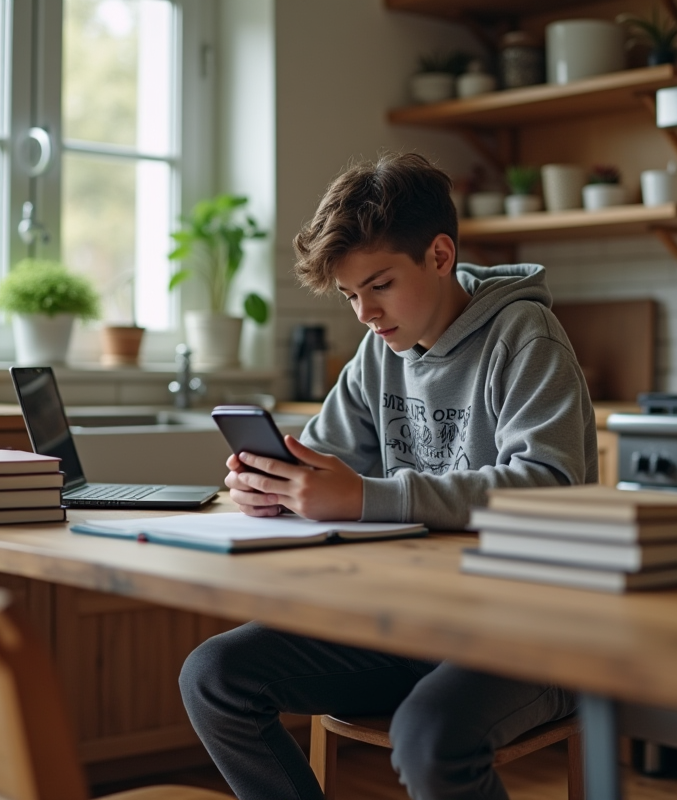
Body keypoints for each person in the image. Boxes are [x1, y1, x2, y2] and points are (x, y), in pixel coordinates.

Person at [179, 152, 596, 800]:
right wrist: (273, 485)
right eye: (350, 295)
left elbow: (552, 485)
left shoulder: (525, 336)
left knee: (430, 737)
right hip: (408, 623)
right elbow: (320, 459)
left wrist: (369, 496)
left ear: (439, 254)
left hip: (534, 630)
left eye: (379, 285)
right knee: (214, 675)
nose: (366, 315)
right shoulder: (381, 352)